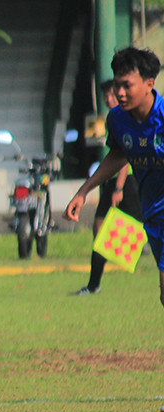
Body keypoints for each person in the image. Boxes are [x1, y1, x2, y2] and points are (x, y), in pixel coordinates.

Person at [65, 46, 164, 312]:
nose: (119, 93)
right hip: (153, 212)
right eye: (117, 85)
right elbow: (118, 154)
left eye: (126, 85)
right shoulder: (117, 120)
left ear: (149, 84)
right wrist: (84, 190)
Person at [72, 79, 143, 296]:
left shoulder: (128, 118)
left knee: (139, 228)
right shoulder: (110, 119)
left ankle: (138, 256)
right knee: (99, 229)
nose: (108, 98)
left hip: (125, 183)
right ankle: (94, 285)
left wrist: (119, 188)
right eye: (106, 95)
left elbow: (124, 157)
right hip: (109, 181)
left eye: (111, 94)